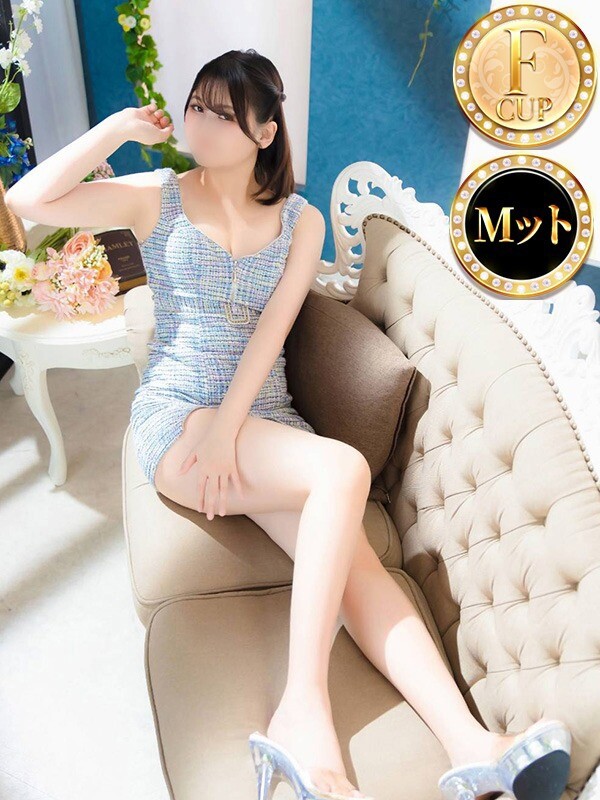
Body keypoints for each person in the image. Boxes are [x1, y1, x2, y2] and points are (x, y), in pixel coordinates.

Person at [7, 47, 571, 800]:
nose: (200, 124)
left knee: (359, 573)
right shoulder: (155, 196)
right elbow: (30, 200)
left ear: (265, 131)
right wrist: (116, 128)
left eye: (222, 113)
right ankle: (301, 714)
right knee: (343, 469)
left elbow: (272, 332)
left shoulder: (298, 220)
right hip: (178, 416)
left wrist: (231, 431)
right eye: (196, 107)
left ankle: (474, 747)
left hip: (264, 422)